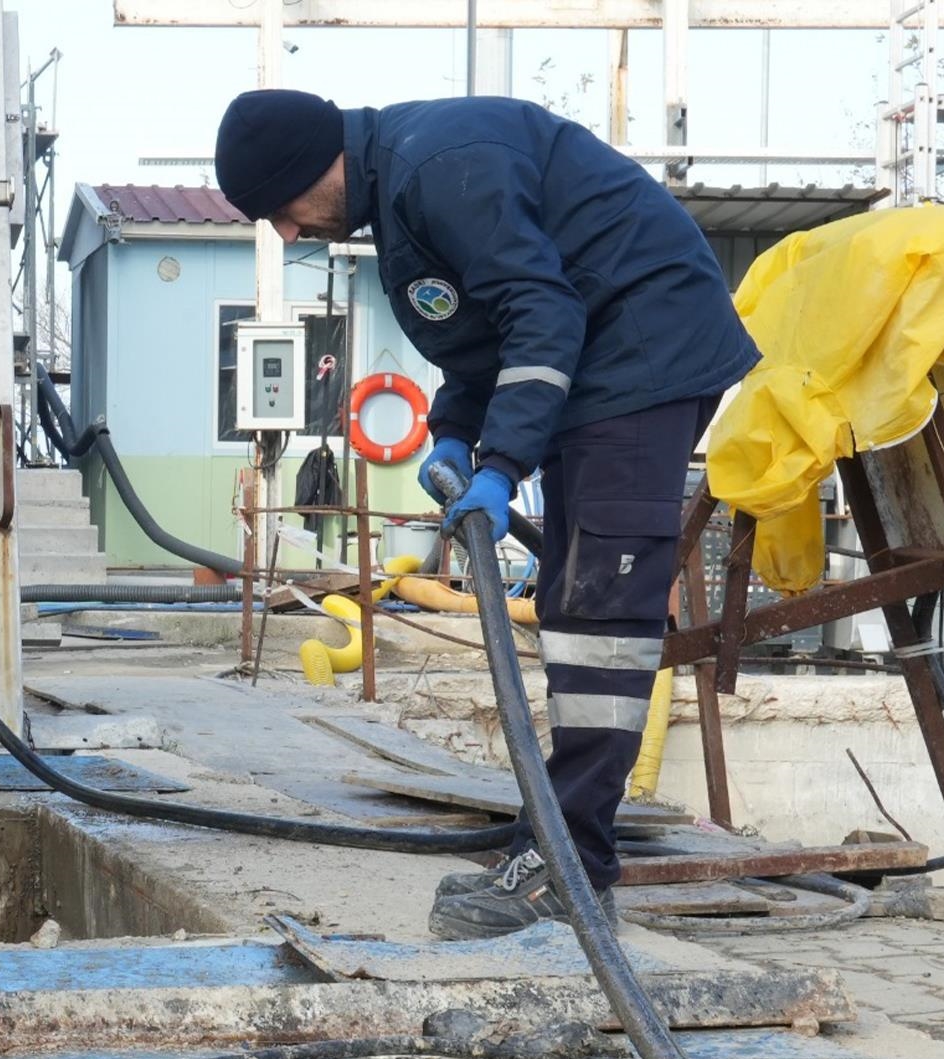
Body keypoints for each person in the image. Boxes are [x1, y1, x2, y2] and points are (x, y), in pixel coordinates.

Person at [214, 89, 758, 939]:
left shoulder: (439, 167)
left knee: (603, 612)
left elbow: (541, 311)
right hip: (600, 355)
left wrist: (503, 466)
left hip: (646, 347)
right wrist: (457, 433)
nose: (286, 234)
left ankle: (571, 867)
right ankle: (557, 841)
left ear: (315, 169)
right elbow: (485, 334)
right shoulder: (402, 199)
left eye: (281, 210)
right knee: (575, 604)